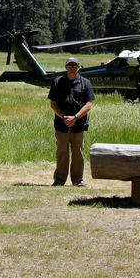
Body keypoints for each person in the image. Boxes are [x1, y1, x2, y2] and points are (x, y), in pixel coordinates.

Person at [48, 57, 95, 186]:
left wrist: (75, 117)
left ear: (79, 67)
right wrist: (64, 117)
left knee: (78, 153)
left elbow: (89, 104)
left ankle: (78, 181)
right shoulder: (57, 82)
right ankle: (59, 181)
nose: (72, 68)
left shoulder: (86, 83)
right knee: (62, 152)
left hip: (78, 125)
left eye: (75, 66)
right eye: (70, 65)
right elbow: (53, 104)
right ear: (66, 67)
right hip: (61, 125)